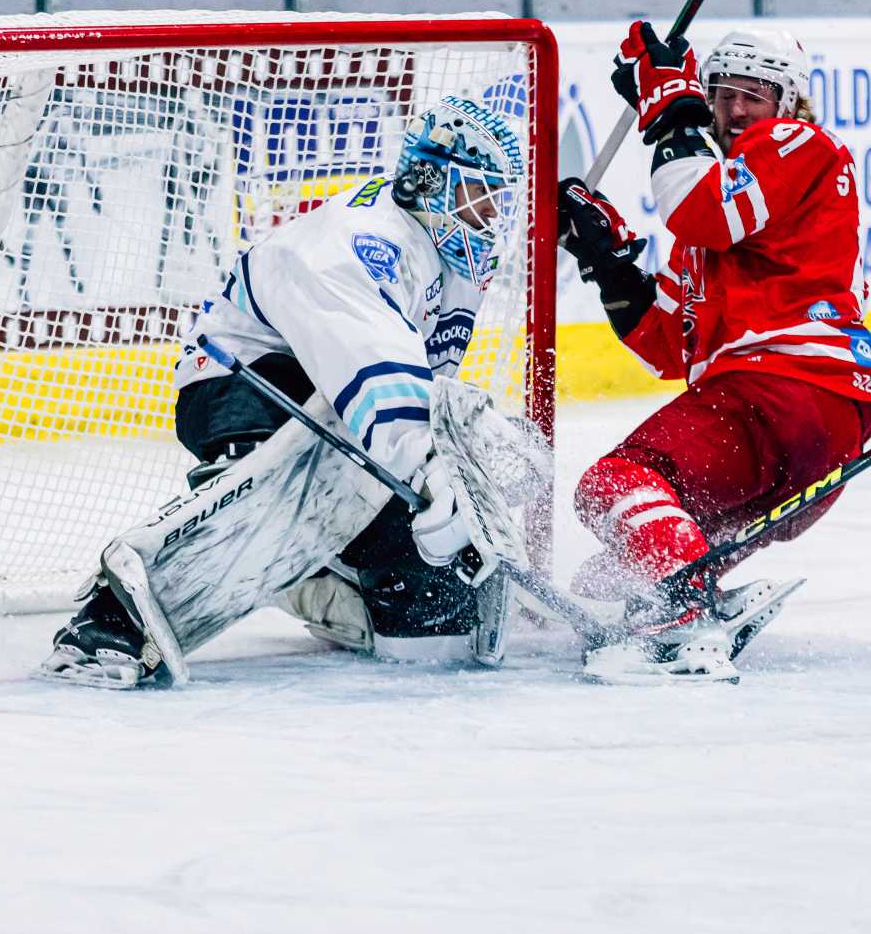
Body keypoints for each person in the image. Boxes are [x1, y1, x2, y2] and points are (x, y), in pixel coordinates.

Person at [37, 95, 531, 688]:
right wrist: (431, 473)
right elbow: (378, 382)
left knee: (436, 626)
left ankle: (305, 575)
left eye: (499, 200)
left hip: (351, 405)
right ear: (431, 179)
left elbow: (423, 389)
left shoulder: (452, 252)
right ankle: (110, 617)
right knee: (290, 492)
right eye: (480, 195)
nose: (489, 215)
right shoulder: (354, 245)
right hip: (246, 383)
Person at [556, 24, 871, 683]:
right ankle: (685, 598)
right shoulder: (718, 227)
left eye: (755, 93)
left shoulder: (798, 144)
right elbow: (665, 345)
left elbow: (696, 204)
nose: (736, 109)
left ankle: (685, 613)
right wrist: (605, 256)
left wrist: (670, 102)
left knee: (613, 485)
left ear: (790, 100)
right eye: (721, 93)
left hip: (784, 391)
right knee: (613, 573)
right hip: (805, 424)